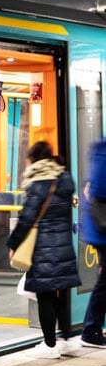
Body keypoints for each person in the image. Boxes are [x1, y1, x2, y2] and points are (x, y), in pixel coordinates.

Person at [7, 141, 80, 358]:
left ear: (34, 159)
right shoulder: (64, 180)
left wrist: (13, 244)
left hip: (42, 247)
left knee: (45, 294)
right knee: (59, 292)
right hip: (63, 245)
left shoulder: (37, 183)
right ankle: (66, 340)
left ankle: (49, 346)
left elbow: (27, 219)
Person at [78, 139, 106, 348]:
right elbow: (95, 190)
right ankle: (90, 329)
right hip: (102, 230)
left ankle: (91, 328)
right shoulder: (104, 152)